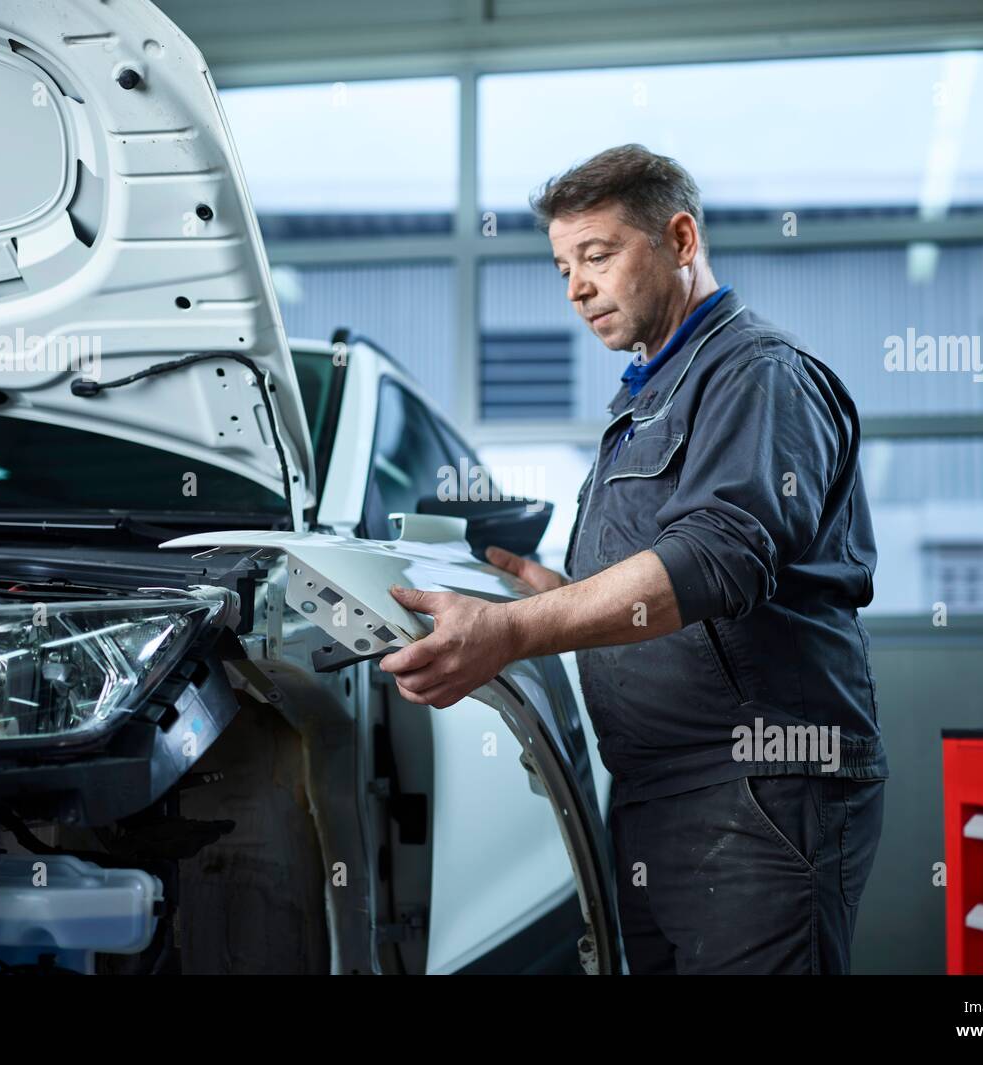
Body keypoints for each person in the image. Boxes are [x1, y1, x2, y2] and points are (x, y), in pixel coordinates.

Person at [379, 144, 887, 974]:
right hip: (662, 791)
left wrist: (515, 629)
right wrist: (562, 593)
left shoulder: (756, 375)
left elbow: (718, 556)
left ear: (681, 240)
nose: (575, 286)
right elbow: (664, 587)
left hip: (759, 788)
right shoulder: (652, 396)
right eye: (561, 265)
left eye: (598, 255)